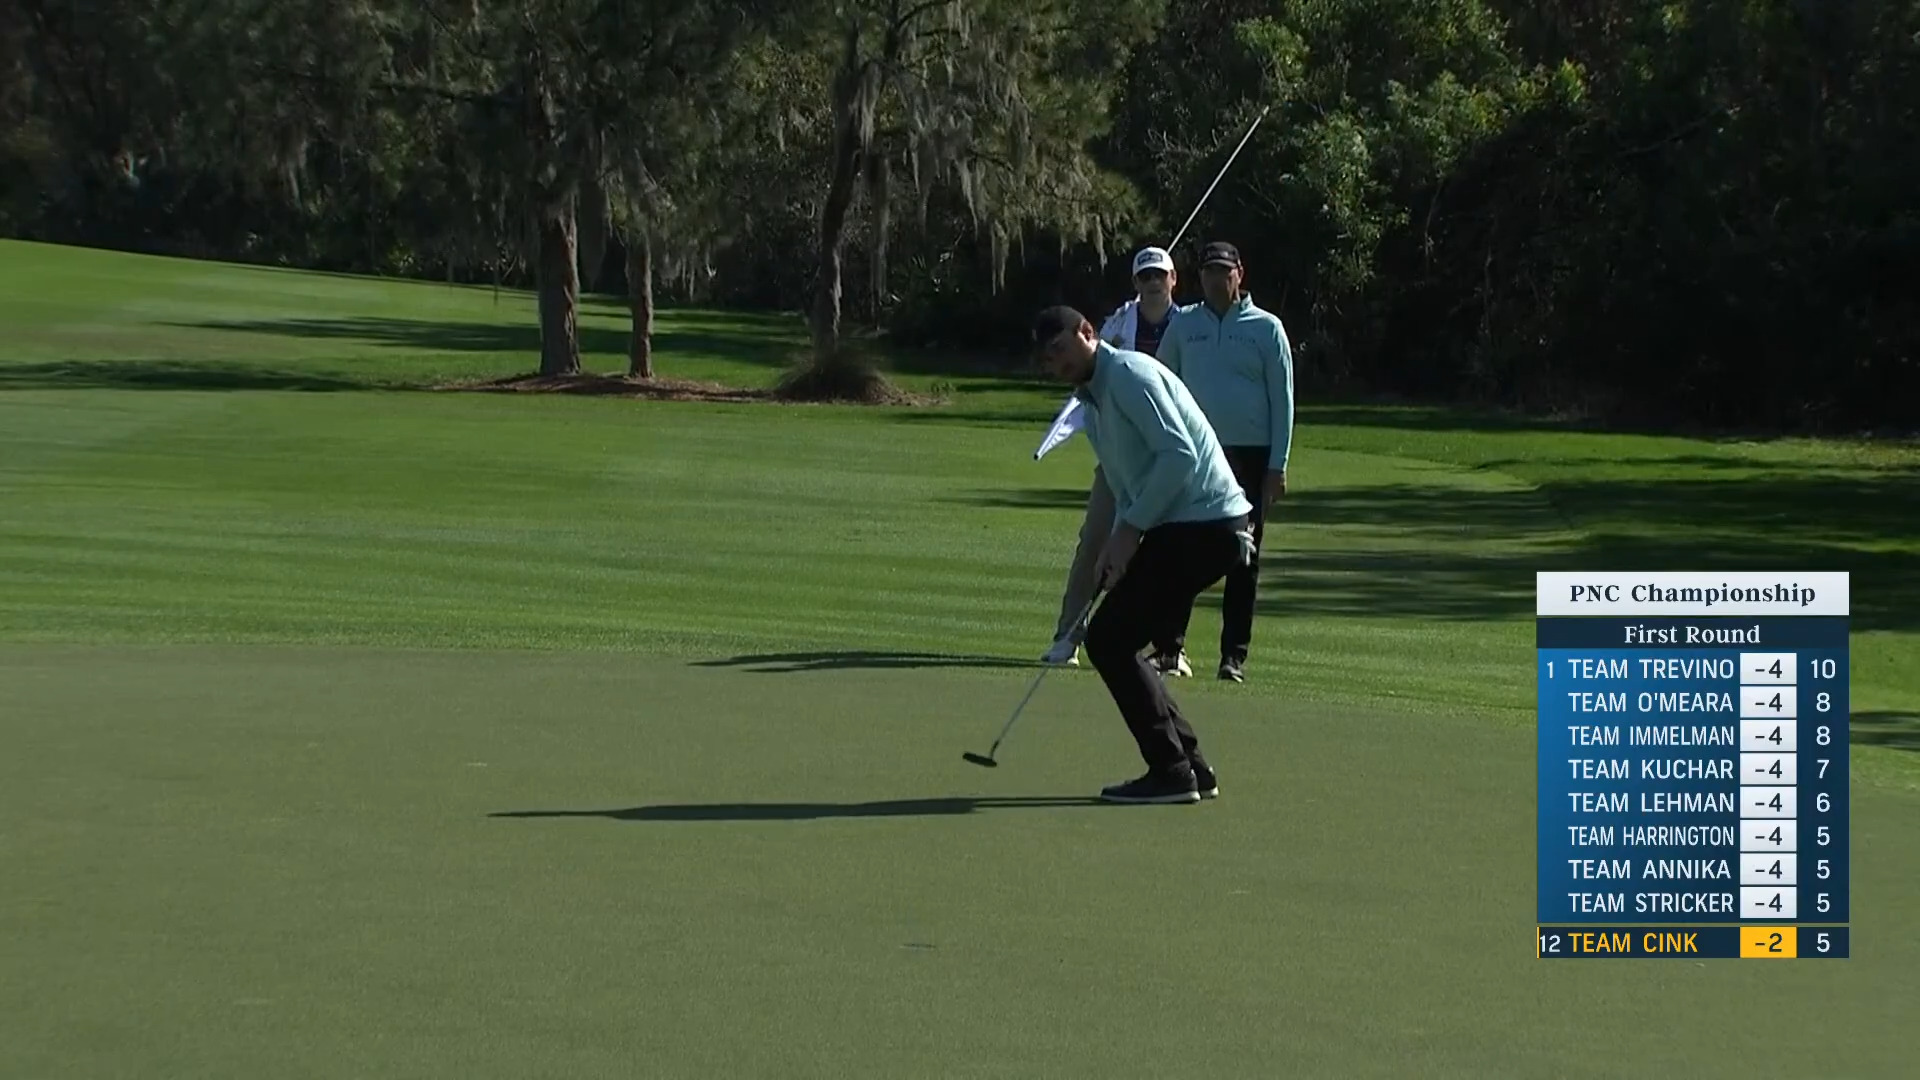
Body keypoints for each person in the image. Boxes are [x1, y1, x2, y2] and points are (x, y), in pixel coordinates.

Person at [1031, 304, 1256, 804]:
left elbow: (1178, 455)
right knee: (1115, 637)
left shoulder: (1129, 375)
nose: (1056, 364)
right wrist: (1117, 545)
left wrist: (1129, 533)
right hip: (1185, 528)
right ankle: (1190, 766)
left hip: (1209, 524)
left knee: (1109, 639)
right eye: (1048, 360)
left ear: (1088, 332)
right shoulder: (1093, 403)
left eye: (1061, 349)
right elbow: (1127, 483)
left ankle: (1173, 769)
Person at [1040, 245, 1195, 677]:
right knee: (1094, 540)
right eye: (1145, 277)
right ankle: (1067, 636)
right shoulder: (1116, 325)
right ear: (1135, 283)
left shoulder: (1188, 325)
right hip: (1120, 456)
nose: (1152, 283)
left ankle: (1169, 648)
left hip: (1166, 452)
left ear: (1172, 279)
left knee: (1169, 555)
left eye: (1159, 276)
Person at [1154, 241, 1294, 683]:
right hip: (1195, 453)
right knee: (1181, 550)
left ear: (1240, 274)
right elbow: (1162, 385)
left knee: (1243, 556)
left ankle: (1233, 656)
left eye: (1224, 271)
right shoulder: (1184, 326)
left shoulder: (1266, 328)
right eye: (1210, 271)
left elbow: (1282, 400)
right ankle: (1170, 648)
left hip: (1250, 456)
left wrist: (1278, 465)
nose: (1217, 278)